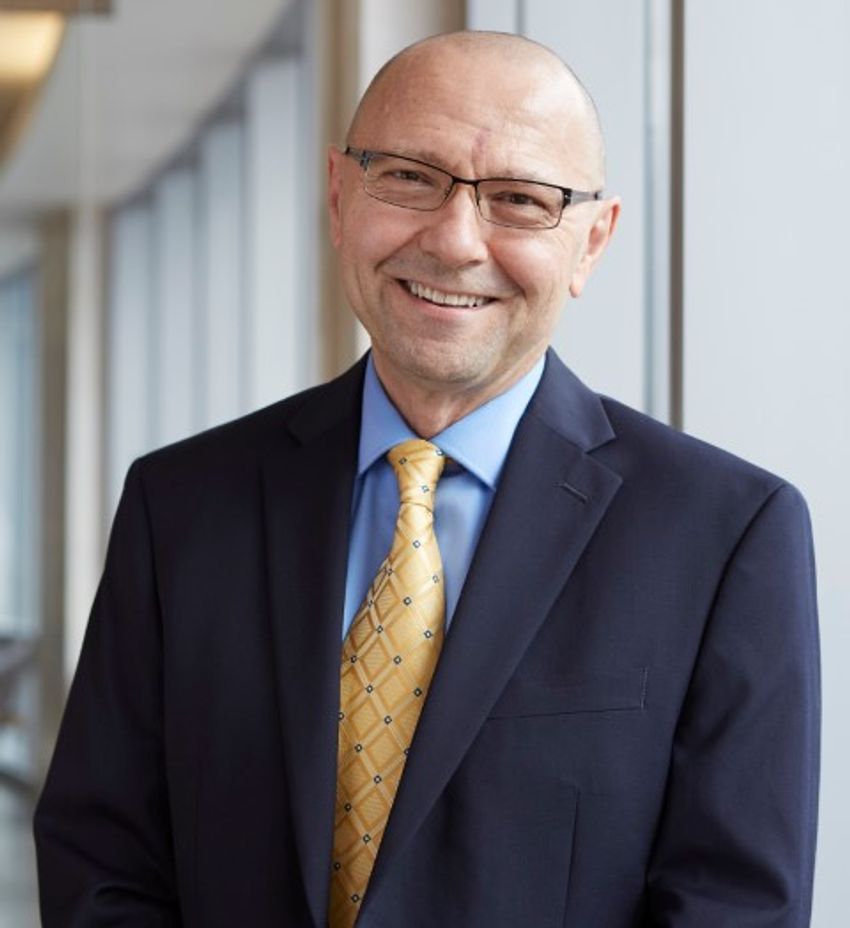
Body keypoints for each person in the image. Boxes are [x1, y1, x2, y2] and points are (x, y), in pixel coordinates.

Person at [34, 30, 820, 928]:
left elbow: (734, 908)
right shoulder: (179, 506)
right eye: (409, 176)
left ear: (591, 244)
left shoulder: (726, 535)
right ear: (339, 196)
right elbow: (101, 864)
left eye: (521, 200)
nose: (453, 241)